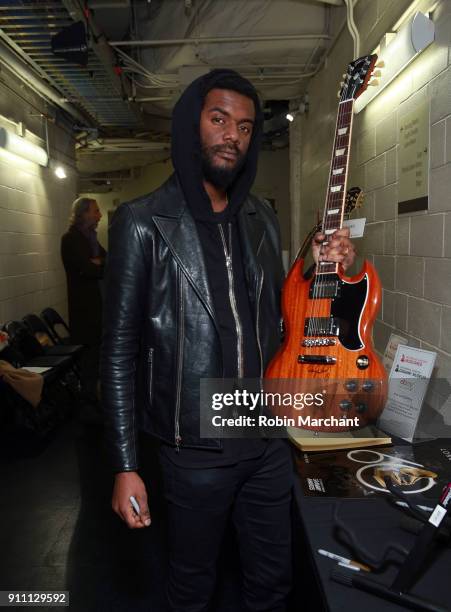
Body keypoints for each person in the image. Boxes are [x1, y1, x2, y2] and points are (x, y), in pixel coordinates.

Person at [101, 69, 355, 611]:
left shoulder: (260, 216)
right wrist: (125, 465)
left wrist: (319, 273)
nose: (231, 136)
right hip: (192, 444)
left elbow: (275, 318)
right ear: (193, 125)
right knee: (193, 587)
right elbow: (118, 352)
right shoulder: (142, 222)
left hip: (261, 433)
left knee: (272, 582)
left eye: (243, 127)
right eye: (218, 120)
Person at [61, 197, 106, 408]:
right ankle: (87, 404)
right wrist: (95, 265)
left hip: (97, 306)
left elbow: (107, 261)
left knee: (96, 356)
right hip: (85, 309)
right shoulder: (71, 239)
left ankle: (92, 398)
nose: (100, 215)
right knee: (88, 357)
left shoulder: (91, 239)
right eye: (96, 211)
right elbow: (88, 270)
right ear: (84, 214)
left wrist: (97, 264)